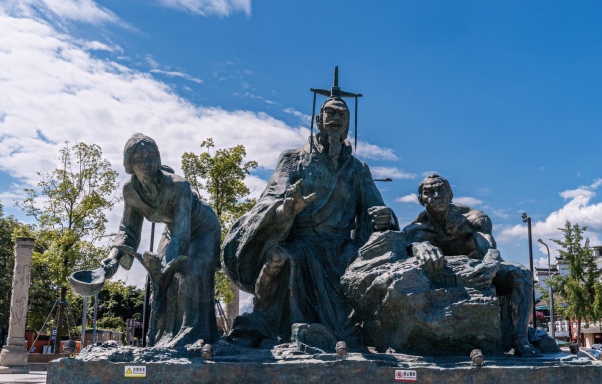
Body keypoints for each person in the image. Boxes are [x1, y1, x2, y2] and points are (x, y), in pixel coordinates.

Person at [223, 95, 397, 343]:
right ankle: (261, 322)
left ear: (348, 124)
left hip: (341, 248)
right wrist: (286, 209)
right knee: (276, 258)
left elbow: (377, 210)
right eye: (330, 113)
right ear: (318, 120)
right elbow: (270, 197)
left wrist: (384, 217)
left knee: (372, 267)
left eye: (341, 115)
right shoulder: (293, 159)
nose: (335, 119)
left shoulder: (358, 170)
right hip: (300, 243)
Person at [100, 133, 221, 348]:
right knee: (157, 281)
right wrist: (113, 258)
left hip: (202, 229)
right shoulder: (130, 191)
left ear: (158, 157)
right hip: (173, 231)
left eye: (151, 156)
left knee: (188, 273)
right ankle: (160, 339)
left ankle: (192, 335)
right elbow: (128, 229)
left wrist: (167, 268)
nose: (147, 163)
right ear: (129, 164)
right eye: (140, 158)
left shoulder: (178, 186)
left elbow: (182, 235)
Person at [403, 173, 540, 357]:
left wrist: (490, 264)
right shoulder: (416, 230)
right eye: (429, 192)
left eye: (441, 190)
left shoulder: (474, 219)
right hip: (444, 279)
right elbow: (399, 253)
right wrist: (417, 246)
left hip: (479, 273)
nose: (436, 196)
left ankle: (520, 338)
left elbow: (490, 249)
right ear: (421, 200)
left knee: (521, 273)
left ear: (450, 195)